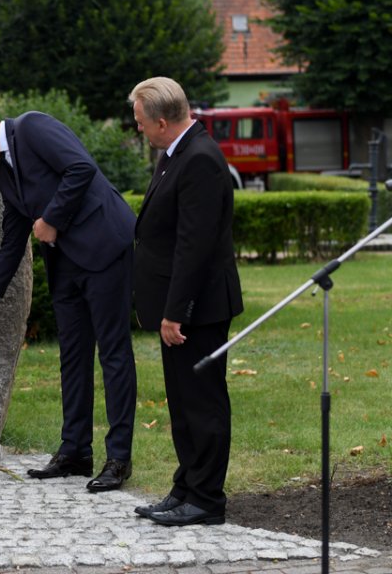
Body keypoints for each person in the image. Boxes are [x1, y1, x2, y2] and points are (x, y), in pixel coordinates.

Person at [0, 110, 137, 492]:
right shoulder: (6, 174)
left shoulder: (33, 126)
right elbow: (13, 238)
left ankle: (118, 458)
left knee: (113, 354)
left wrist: (51, 217)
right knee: (72, 354)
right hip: (66, 264)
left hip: (104, 247)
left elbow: (81, 168)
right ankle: (75, 451)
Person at [129, 77, 243, 526]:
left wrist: (176, 312)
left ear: (161, 120)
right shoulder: (175, 153)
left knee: (202, 402)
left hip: (198, 309)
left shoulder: (200, 160)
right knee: (181, 402)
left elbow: (194, 247)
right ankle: (186, 487)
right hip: (177, 306)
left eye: (140, 122)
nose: (138, 129)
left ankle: (207, 499)